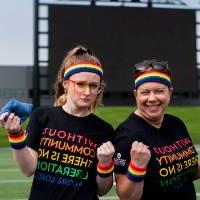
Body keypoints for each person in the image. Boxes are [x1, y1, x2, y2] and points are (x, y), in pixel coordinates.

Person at [0, 45, 115, 200]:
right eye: (80, 84)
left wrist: (105, 163)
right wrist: (15, 134)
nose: (87, 92)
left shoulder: (104, 130)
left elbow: (102, 189)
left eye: (94, 86)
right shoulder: (42, 116)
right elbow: (28, 169)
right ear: (65, 83)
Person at [113, 59, 200, 200]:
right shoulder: (127, 135)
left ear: (170, 92)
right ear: (136, 95)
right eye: (145, 92)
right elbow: (126, 197)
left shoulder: (176, 123)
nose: (152, 98)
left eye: (159, 91)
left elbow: (190, 172)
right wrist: (137, 166)